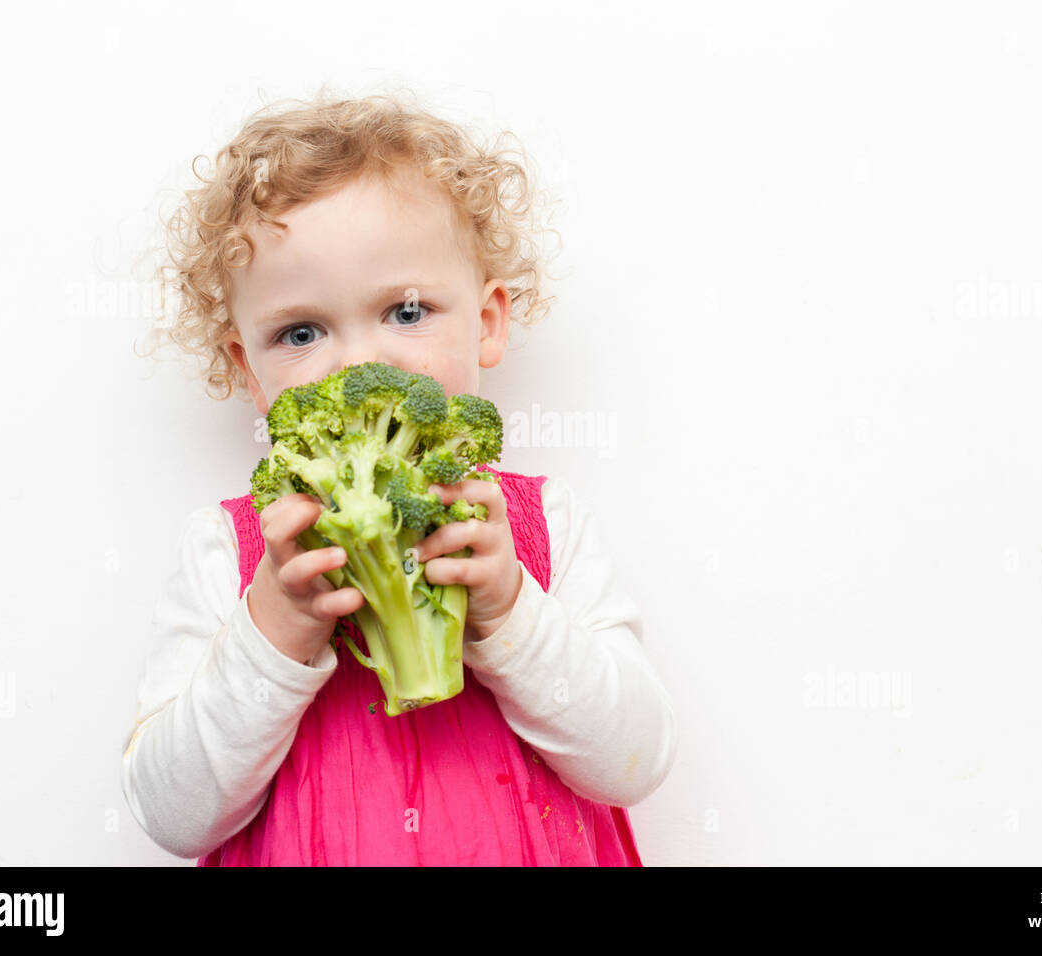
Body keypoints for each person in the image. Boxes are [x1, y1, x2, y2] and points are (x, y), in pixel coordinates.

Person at [122, 88, 676, 865]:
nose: (360, 362)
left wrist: (512, 612)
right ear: (247, 366)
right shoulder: (230, 550)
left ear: (486, 322)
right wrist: (274, 630)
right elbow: (172, 815)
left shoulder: (545, 528)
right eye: (301, 331)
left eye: (406, 312)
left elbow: (636, 760)